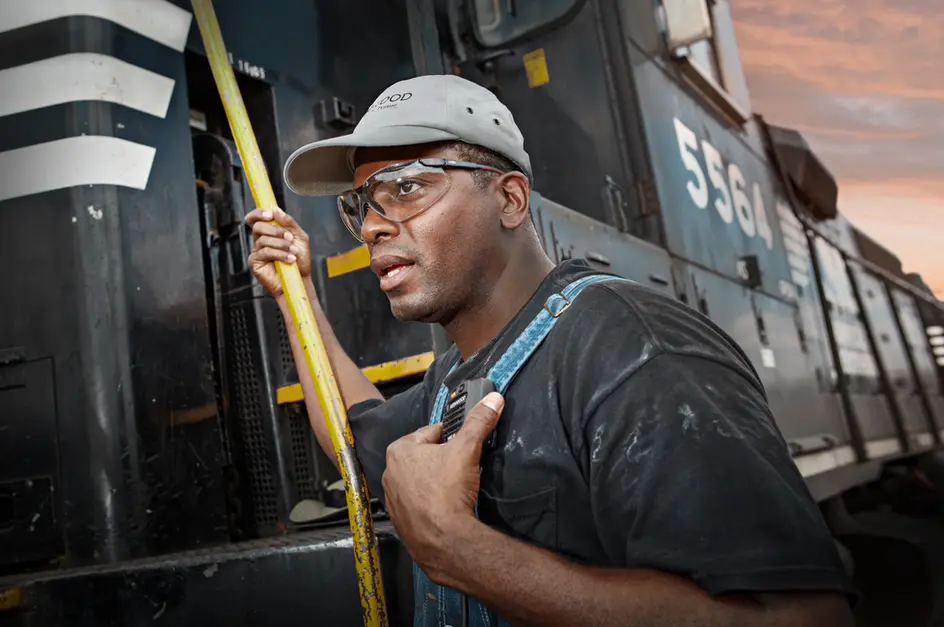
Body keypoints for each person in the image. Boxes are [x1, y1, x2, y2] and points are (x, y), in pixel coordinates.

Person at [246, 74, 857, 626]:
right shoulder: (454, 381)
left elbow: (802, 616)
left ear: (510, 199)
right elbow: (357, 442)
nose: (375, 224)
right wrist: (297, 296)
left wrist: (462, 552)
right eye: (361, 205)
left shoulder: (633, 350)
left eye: (407, 187)